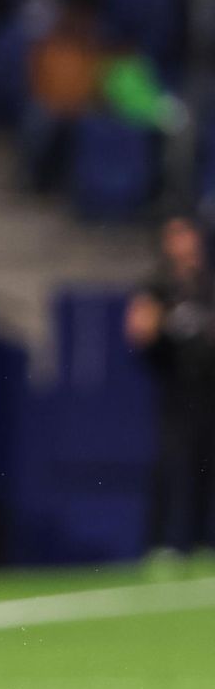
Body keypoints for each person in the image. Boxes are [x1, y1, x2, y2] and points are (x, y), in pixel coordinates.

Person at [124, 215, 215, 563]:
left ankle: (203, 542)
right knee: (170, 465)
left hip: (210, 390)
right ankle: (160, 544)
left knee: (208, 467)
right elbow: (139, 335)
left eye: (184, 234)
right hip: (175, 391)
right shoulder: (157, 287)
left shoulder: (208, 285)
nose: (179, 243)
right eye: (172, 235)